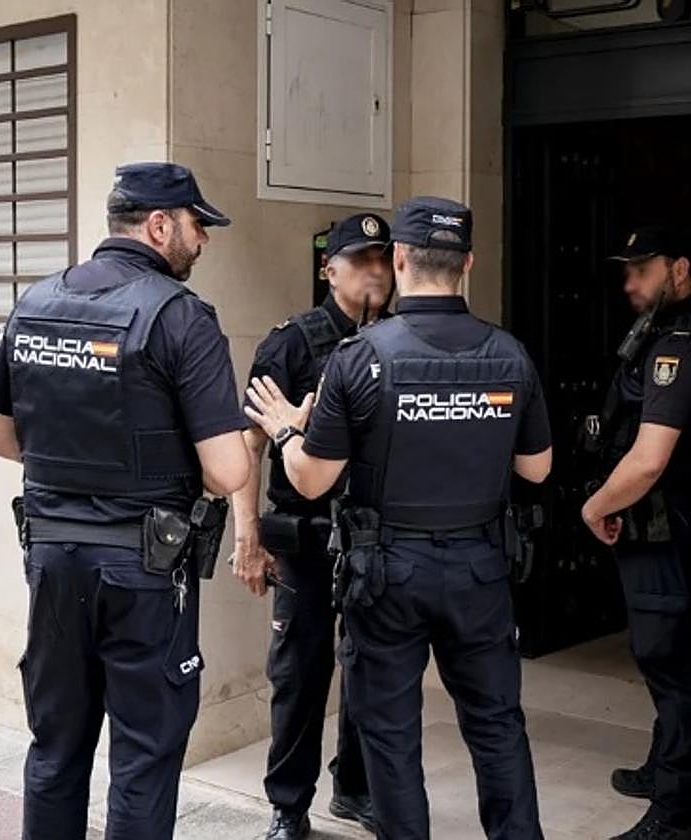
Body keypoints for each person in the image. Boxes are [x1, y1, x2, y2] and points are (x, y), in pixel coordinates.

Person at [244, 196, 551, 840]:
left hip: (387, 573)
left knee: (388, 735)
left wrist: (283, 430)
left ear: (403, 258)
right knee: (496, 726)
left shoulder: (362, 358)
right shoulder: (509, 354)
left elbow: (311, 477)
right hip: (478, 569)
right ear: (467, 263)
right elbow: (538, 470)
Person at [0, 162, 250, 840]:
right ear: (159, 225)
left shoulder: (35, 302)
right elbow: (225, 472)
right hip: (144, 571)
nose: (203, 240)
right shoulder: (182, 318)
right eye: (197, 225)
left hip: (52, 560)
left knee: (56, 750)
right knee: (143, 759)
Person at [231, 213, 392, 839]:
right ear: (330, 270)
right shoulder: (291, 343)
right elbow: (246, 444)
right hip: (304, 539)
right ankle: (288, 805)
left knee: (371, 667)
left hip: (373, 537)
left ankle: (354, 787)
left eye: (382, 258)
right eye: (360, 259)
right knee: (299, 674)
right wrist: (246, 535)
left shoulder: (400, 340)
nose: (375, 269)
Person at [580, 226, 691, 840]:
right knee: (660, 652)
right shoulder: (661, 335)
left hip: (666, 524)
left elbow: (648, 459)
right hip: (651, 522)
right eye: (628, 271)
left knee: (668, 658)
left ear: (680, 269)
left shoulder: (682, 344)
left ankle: (673, 810)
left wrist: (594, 506)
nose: (630, 283)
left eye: (643, 270)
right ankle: (665, 765)